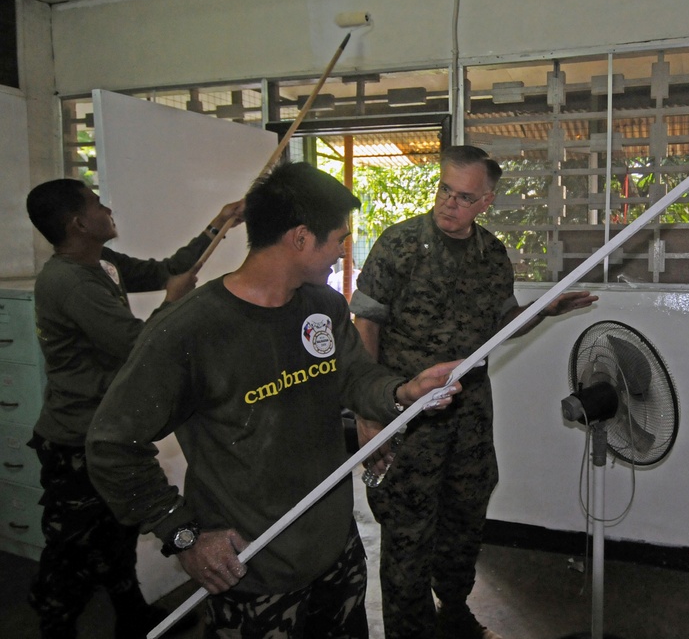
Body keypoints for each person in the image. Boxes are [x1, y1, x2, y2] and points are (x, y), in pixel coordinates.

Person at [85, 162, 463, 638]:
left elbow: (355, 377)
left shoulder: (321, 306)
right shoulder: (190, 331)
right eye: (338, 238)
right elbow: (110, 444)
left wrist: (404, 392)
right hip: (253, 571)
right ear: (301, 238)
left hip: (336, 552)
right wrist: (182, 534)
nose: (343, 252)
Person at [349, 145, 597, 639]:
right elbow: (365, 329)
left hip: (469, 415)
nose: (448, 203)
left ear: (485, 202)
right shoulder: (398, 246)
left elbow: (502, 327)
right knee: (407, 532)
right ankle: (409, 630)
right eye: (444, 190)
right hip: (408, 415)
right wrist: (369, 415)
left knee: (465, 518)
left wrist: (543, 311)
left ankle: (455, 611)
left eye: (463, 197)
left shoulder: (490, 255)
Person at [24, 178, 242, 638]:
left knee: (117, 534)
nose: (108, 208)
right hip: (75, 439)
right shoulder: (68, 282)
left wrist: (218, 225)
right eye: (97, 204)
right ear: (80, 223)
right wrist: (172, 303)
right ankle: (53, 626)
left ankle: (132, 617)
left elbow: (167, 268)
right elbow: (136, 346)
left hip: (105, 428)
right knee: (72, 549)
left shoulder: (101, 263)